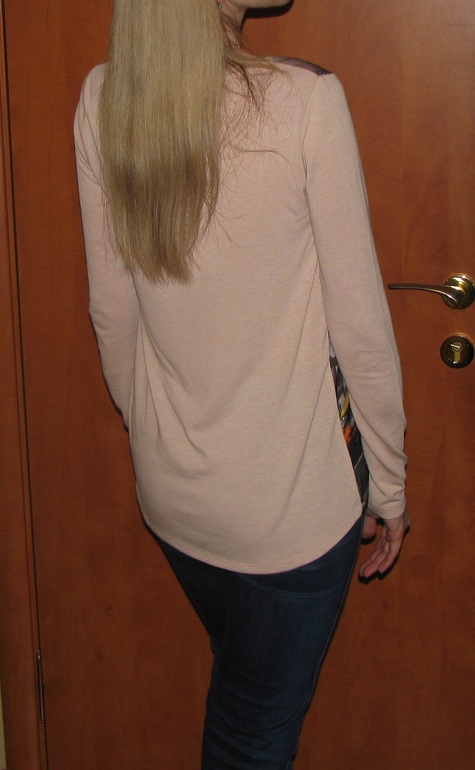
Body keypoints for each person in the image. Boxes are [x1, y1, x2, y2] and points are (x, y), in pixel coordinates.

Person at [74, 0, 410, 767]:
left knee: (244, 693)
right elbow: (360, 329)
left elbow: (112, 313)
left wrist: (155, 436)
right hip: (288, 518)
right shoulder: (303, 100)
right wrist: (388, 485)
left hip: (176, 502)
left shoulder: (105, 96)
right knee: (249, 738)